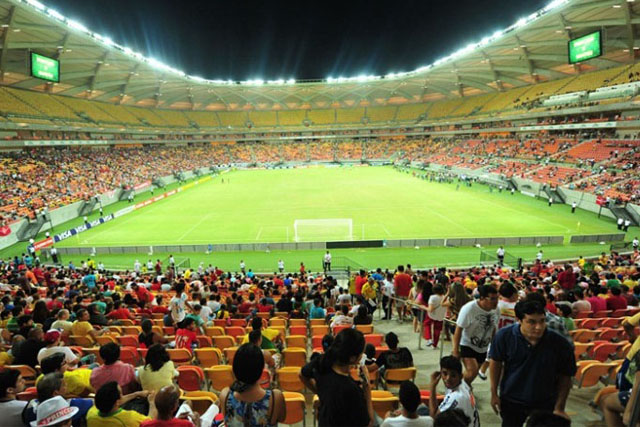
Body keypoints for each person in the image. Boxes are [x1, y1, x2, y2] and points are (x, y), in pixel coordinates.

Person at [489, 299, 576, 427]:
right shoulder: (504, 336)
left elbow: (565, 376)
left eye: (542, 321)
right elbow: (495, 363)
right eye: (531, 322)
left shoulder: (560, 343)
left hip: (545, 401)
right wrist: (494, 394)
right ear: (519, 320)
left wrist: (559, 407)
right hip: (511, 399)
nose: (539, 327)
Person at [300, 328, 374, 427]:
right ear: (352, 358)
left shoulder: (321, 363)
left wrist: (321, 393)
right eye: (361, 353)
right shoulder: (351, 389)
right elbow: (369, 423)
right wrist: (367, 388)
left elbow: (302, 374)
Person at [219, 343, 286, 426]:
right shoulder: (275, 397)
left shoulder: (225, 395)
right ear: (262, 369)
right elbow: (281, 418)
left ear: (235, 369)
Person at [452, 285, 499, 385]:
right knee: (472, 370)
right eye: (492, 299)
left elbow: (493, 328)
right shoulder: (469, 309)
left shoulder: (496, 310)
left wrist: (494, 345)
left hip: (483, 347)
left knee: (472, 373)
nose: (496, 301)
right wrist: (455, 350)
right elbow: (459, 329)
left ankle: (461, 387)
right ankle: (458, 389)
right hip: (467, 344)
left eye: (497, 298)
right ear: (482, 298)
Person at [23, 372, 94, 427]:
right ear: (55, 393)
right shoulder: (73, 404)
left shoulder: (29, 410)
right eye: (64, 385)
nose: (66, 386)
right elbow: (93, 402)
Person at [428, 356, 479, 427]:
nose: (448, 378)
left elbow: (434, 418)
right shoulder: (464, 385)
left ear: (461, 376)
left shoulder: (456, 397)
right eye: (445, 374)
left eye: (453, 375)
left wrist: (432, 387)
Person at [141, 385, 220, 427]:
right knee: (216, 404)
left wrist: (176, 419)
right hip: (196, 424)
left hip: (175, 420)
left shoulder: (145, 424)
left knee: (187, 402)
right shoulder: (186, 424)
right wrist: (197, 423)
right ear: (174, 407)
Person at [87, 381, 156, 427]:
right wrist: (152, 403)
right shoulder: (129, 419)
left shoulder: (91, 414)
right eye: (121, 393)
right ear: (117, 402)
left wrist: (136, 394)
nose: (122, 396)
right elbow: (150, 423)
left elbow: (116, 401)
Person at [423, 284, 446, 349]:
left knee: (427, 324)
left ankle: (429, 339)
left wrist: (424, 307)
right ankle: (435, 344)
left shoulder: (433, 297)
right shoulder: (445, 297)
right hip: (441, 315)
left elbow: (430, 309)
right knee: (437, 330)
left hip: (432, 315)